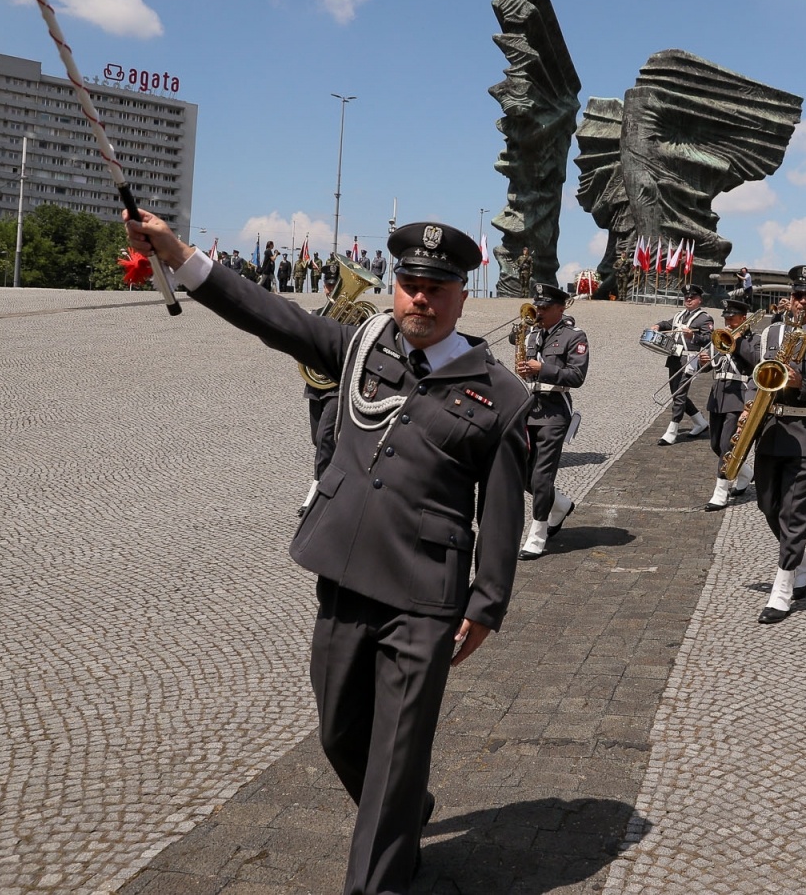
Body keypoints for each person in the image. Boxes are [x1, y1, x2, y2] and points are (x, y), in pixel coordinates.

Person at [121, 210, 530, 893]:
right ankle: (406, 809)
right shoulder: (363, 346)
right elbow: (269, 315)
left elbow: (504, 509)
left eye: (437, 288)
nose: (420, 299)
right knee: (339, 732)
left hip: (424, 597)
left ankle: (380, 870)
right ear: (396, 286)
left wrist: (485, 604)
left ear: (462, 295)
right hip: (344, 575)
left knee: (395, 756)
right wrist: (180, 254)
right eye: (410, 285)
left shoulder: (499, 393)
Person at [727, 265, 806, 623]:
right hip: (770, 430)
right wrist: (748, 405)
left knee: (794, 512)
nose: (802, 302)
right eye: (797, 295)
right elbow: (756, 377)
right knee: (768, 505)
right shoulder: (771, 334)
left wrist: (804, 384)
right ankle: (802, 564)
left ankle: (781, 592)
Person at [515, 282, 589, 558]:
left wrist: (542, 368)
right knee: (524, 474)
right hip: (528, 409)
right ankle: (560, 505)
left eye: (545, 307)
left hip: (554, 411)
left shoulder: (574, 336)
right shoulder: (533, 334)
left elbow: (577, 376)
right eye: (538, 307)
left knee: (542, 476)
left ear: (560, 308)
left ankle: (537, 536)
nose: (539, 312)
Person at [703, 298, 757, 510]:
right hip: (718, 396)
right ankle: (746, 473)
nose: (728, 323)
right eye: (726, 318)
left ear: (743, 319)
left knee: (727, 445)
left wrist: (738, 341)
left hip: (739, 397)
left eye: (732, 319)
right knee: (716, 445)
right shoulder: (720, 336)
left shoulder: (754, 339)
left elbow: (756, 361)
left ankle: (720, 493)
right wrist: (704, 361)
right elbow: (713, 365)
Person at [650, 284, 714, 444]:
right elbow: (668, 324)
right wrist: (658, 326)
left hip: (689, 360)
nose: (688, 300)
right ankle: (700, 422)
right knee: (677, 394)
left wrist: (693, 336)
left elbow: (709, 339)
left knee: (679, 395)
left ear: (699, 300)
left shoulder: (704, 318)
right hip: (674, 358)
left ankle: (672, 431)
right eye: (686, 297)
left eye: (692, 297)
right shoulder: (679, 315)